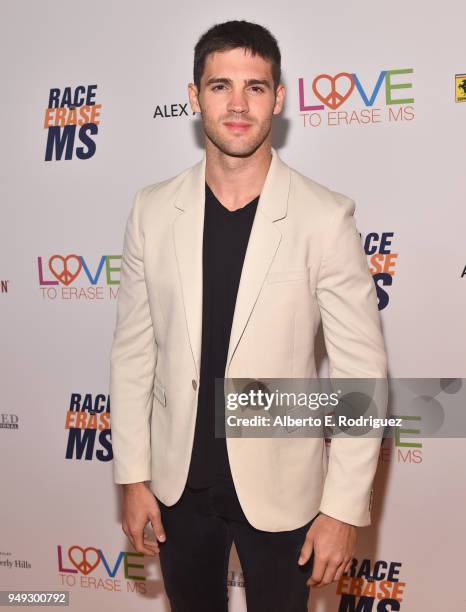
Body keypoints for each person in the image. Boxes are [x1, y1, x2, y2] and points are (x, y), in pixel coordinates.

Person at [109, 19, 388, 612]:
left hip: (284, 491)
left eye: (255, 87)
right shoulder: (151, 211)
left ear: (278, 99)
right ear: (194, 97)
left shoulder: (323, 217)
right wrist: (131, 475)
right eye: (220, 86)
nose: (238, 105)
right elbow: (134, 352)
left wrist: (341, 509)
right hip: (178, 486)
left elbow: (362, 374)